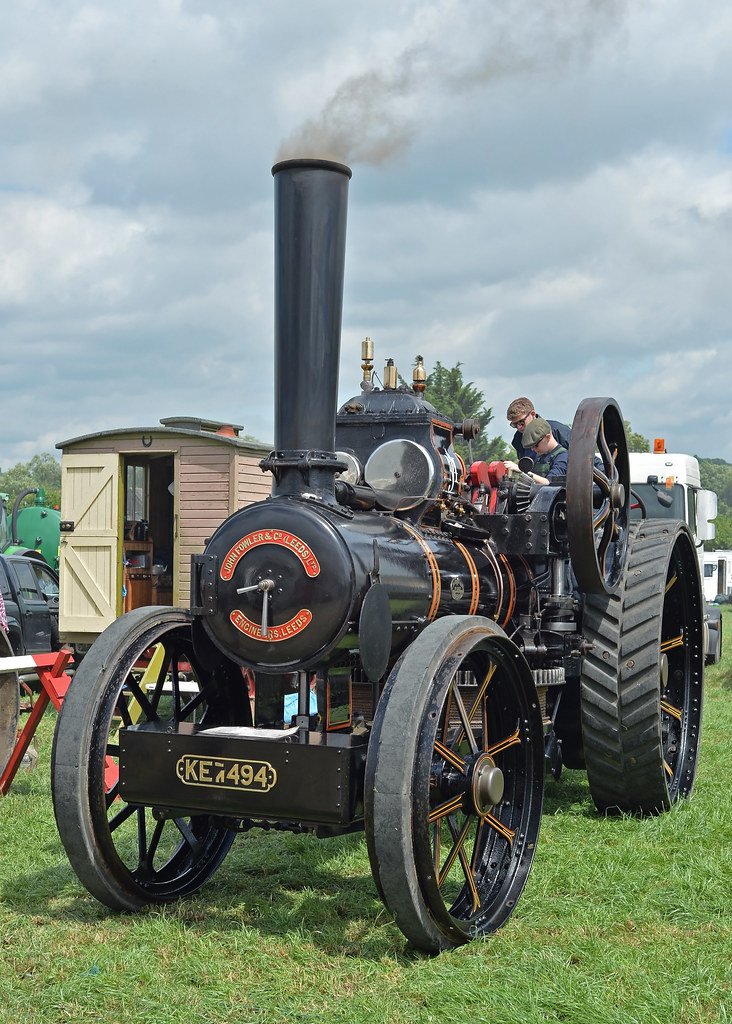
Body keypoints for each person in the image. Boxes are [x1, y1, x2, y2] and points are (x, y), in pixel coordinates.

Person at [503, 416, 568, 484]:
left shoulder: (562, 457)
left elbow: (549, 484)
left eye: (535, 445)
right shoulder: (539, 456)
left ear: (547, 437)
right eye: (531, 446)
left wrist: (521, 470)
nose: (533, 449)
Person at [506, 397, 571, 463]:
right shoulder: (517, 440)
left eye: (521, 422)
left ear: (532, 414)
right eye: (514, 424)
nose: (519, 427)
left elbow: (579, 454)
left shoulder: (557, 430)